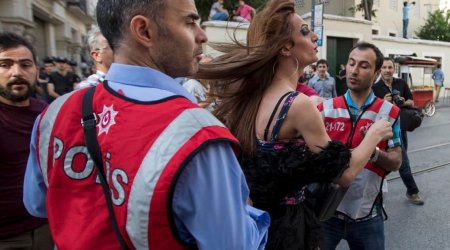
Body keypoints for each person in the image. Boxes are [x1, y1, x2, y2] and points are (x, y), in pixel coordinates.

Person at [23, 0, 270, 249]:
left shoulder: (55, 113)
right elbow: (233, 244)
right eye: (190, 22)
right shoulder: (197, 134)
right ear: (143, 30)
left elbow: (37, 204)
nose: (202, 35)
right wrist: (246, 210)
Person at [197, 1, 393, 249]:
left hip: (257, 223)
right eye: (304, 31)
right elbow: (343, 174)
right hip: (289, 230)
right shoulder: (297, 104)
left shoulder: (253, 96)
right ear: (286, 47)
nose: (313, 35)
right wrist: (374, 135)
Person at [320, 43, 403, 250]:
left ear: (376, 73)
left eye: (364, 66)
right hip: (325, 213)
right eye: (351, 63)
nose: (354, 71)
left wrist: (373, 151)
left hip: (368, 215)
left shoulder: (389, 112)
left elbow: (396, 162)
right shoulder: (325, 109)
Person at [0, 32, 53, 249]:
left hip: (48, 229)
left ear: (36, 71)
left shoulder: (50, 114)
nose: (17, 72)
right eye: (5, 64)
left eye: (25, 65)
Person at [373, 57, 424, 205]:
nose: (387, 71)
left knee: (398, 160)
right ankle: (413, 191)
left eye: (390, 68)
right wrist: (383, 101)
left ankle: (377, 188)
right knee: (403, 161)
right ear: (380, 70)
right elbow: (372, 109)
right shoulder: (375, 88)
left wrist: (401, 100)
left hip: (402, 127)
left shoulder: (401, 83)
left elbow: (411, 101)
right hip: (386, 129)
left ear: (393, 69)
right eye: (384, 68)